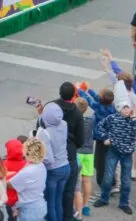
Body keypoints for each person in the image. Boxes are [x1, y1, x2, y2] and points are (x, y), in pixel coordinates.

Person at [103, 49, 136, 183]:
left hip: (134, 119)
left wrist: (111, 58)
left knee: (132, 146)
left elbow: (120, 72)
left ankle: (132, 171)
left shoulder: (134, 85)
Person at [93, 99, 136, 215]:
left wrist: (134, 120)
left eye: (128, 107)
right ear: (119, 109)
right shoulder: (112, 118)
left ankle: (124, 203)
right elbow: (99, 127)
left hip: (127, 154)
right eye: (124, 108)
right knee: (108, 177)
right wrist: (105, 138)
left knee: (126, 180)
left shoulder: (133, 121)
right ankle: (104, 198)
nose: (126, 110)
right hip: (114, 151)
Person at [52, 82, 84, 221]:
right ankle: (67, 217)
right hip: (69, 154)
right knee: (68, 191)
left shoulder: (51, 107)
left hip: (52, 153)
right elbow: (80, 139)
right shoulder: (77, 113)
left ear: (59, 92)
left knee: (52, 191)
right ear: (73, 95)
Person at [36, 102, 70, 221]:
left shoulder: (43, 133)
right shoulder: (64, 124)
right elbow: (49, 119)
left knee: (50, 203)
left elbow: (48, 158)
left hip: (53, 170)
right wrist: (41, 114)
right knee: (57, 201)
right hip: (65, 166)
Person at [8, 138, 48, 221]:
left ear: (28, 152)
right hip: (40, 205)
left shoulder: (27, 172)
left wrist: (5, 177)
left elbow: (10, 185)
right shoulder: (41, 165)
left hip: (29, 211)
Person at [73, 97, 94, 218]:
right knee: (87, 181)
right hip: (89, 153)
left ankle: (76, 208)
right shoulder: (90, 121)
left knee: (77, 183)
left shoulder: (75, 122)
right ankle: (86, 206)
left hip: (78, 153)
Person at [2, 138, 27, 219]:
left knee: (11, 217)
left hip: (10, 199)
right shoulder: (26, 164)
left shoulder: (4, 164)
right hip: (23, 197)